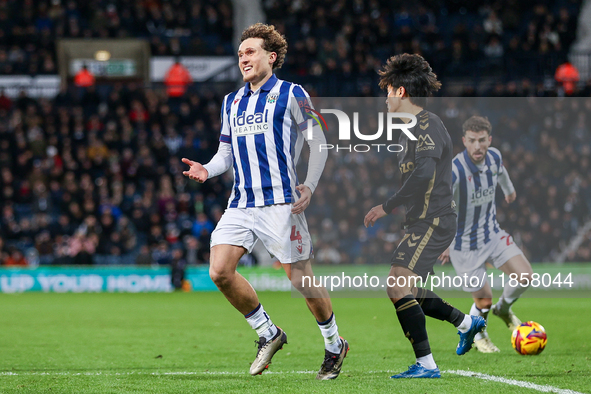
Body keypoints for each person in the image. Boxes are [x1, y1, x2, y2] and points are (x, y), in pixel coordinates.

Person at [181, 23, 348, 380]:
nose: (244, 58)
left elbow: (319, 141)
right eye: (241, 53)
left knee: (301, 281)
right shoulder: (232, 101)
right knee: (219, 271)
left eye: (251, 51)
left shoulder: (292, 93)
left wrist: (310, 186)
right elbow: (225, 154)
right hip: (241, 203)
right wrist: (206, 170)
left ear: (271, 57)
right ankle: (268, 332)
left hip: (280, 204)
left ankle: (335, 344)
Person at [363, 54, 485, 379]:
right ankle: (467, 322)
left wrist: (385, 206)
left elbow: (423, 175)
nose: (385, 97)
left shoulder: (428, 125)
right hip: (424, 222)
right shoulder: (409, 131)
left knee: (396, 284)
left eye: (388, 90)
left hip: (433, 220)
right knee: (412, 291)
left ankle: (427, 365)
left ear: (401, 91)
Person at [439, 115, 533, 353]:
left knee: (525, 276)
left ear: (489, 140)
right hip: (463, 246)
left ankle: (504, 309)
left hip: (492, 235)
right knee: (483, 301)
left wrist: (509, 191)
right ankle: (479, 335)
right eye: (472, 140)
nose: (478, 146)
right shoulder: (455, 170)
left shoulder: (495, 156)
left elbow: (501, 172)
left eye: (482, 140)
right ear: (464, 141)